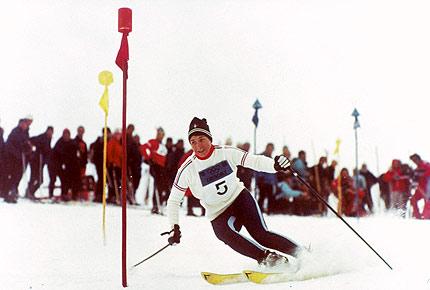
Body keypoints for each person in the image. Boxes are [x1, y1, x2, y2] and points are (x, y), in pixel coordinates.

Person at [166, 117, 302, 267]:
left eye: (201, 139)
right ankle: (268, 259)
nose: (198, 146)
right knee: (224, 234)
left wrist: (275, 165)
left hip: (239, 199)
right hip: (217, 212)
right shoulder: (187, 169)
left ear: (209, 138)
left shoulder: (225, 152)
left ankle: (303, 254)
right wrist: (174, 227)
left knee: (260, 234)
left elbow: (254, 161)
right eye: (193, 142)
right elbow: (173, 200)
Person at [3, 117, 33, 203]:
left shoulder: (26, 133)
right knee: (12, 175)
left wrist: (28, 150)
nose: (25, 126)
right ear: (20, 124)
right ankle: (9, 193)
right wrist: (19, 153)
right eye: (23, 124)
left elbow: (26, 144)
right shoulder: (15, 132)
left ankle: (14, 192)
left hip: (20, 159)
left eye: (26, 124)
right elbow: (11, 145)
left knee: (18, 175)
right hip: (12, 158)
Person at [140, 127, 168, 214]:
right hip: (155, 166)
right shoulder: (153, 142)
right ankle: (155, 206)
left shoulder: (163, 146)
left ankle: (159, 205)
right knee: (157, 186)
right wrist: (148, 158)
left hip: (162, 168)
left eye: (162, 134)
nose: (160, 136)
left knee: (161, 187)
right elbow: (143, 148)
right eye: (159, 134)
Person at [53, 129, 81, 201]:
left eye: (67, 134)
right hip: (61, 165)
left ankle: (74, 194)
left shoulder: (73, 143)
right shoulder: (59, 143)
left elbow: (77, 153)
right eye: (65, 134)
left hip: (72, 165)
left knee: (75, 179)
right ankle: (64, 194)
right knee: (64, 180)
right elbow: (56, 154)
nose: (66, 136)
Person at [26, 126, 54, 199]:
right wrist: (32, 148)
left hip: (41, 162)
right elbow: (30, 140)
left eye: (51, 132)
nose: (50, 133)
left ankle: (30, 192)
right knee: (35, 178)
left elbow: (47, 149)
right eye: (49, 131)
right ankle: (29, 192)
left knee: (39, 179)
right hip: (35, 160)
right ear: (46, 131)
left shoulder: (49, 139)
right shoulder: (42, 137)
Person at [255, 143, 277, 214]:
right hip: (262, 181)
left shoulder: (272, 159)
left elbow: (273, 172)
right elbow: (256, 166)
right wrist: (260, 177)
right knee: (262, 196)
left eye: (271, 149)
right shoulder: (261, 157)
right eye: (269, 148)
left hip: (270, 182)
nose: (270, 150)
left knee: (270, 196)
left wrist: (274, 181)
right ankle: (258, 211)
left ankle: (270, 210)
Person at [409, 153, 430, 219]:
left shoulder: (425, 164)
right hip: (420, 188)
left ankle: (426, 216)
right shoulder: (417, 168)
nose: (414, 161)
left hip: (427, 188)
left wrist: (421, 174)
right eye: (413, 160)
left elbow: (428, 172)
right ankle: (417, 216)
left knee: (427, 201)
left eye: (415, 159)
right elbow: (415, 178)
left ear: (419, 158)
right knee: (413, 199)